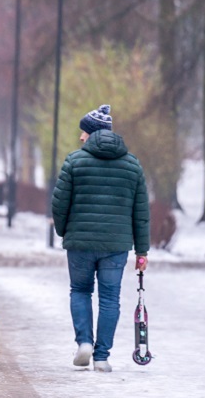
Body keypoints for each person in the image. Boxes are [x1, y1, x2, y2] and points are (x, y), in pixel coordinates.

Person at [50, 104, 150, 373]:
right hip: (116, 246)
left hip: (80, 243)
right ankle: (102, 356)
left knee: (80, 291)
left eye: (84, 132)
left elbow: (59, 204)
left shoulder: (74, 161)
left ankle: (84, 342)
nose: (81, 137)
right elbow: (141, 212)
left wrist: (64, 231)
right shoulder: (132, 165)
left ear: (92, 133)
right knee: (110, 299)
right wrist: (142, 251)